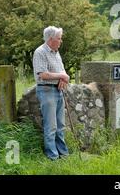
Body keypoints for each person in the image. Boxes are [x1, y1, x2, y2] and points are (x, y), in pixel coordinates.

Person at [33, 26, 70, 160]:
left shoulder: (56, 52)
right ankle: (53, 157)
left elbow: (63, 72)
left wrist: (64, 78)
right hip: (46, 90)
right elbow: (43, 74)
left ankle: (63, 154)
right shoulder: (40, 52)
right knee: (51, 126)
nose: (61, 41)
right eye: (59, 39)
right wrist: (61, 76)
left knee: (60, 125)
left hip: (58, 90)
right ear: (51, 39)